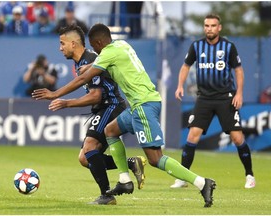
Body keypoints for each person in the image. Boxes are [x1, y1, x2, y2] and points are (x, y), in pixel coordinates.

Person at [32, 23, 216, 208]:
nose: (94, 51)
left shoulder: (108, 53)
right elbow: (109, 63)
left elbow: (83, 79)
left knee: (155, 158)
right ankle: (124, 180)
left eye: (94, 46)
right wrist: (91, 65)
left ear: (98, 43)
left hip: (144, 105)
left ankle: (201, 182)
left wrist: (56, 94)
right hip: (135, 106)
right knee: (110, 131)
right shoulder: (122, 45)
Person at [32, 24, 146, 205]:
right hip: (103, 108)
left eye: (62, 43)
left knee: (90, 147)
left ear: (73, 44)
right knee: (85, 158)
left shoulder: (90, 59)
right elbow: (85, 87)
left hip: (111, 106)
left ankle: (107, 195)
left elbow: (96, 95)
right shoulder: (81, 62)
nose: (60, 48)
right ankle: (131, 163)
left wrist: (64, 102)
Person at [171, 14, 256, 189]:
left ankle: (249, 175)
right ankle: (182, 177)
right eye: (206, 26)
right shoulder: (197, 46)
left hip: (226, 97)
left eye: (212, 25)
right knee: (192, 136)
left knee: (237, 137)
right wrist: (180, 85)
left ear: (219, 28)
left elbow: (239, 71)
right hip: (204, 98)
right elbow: (185, 66)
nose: (209, 28)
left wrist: (239, 94)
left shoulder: (228, 47)